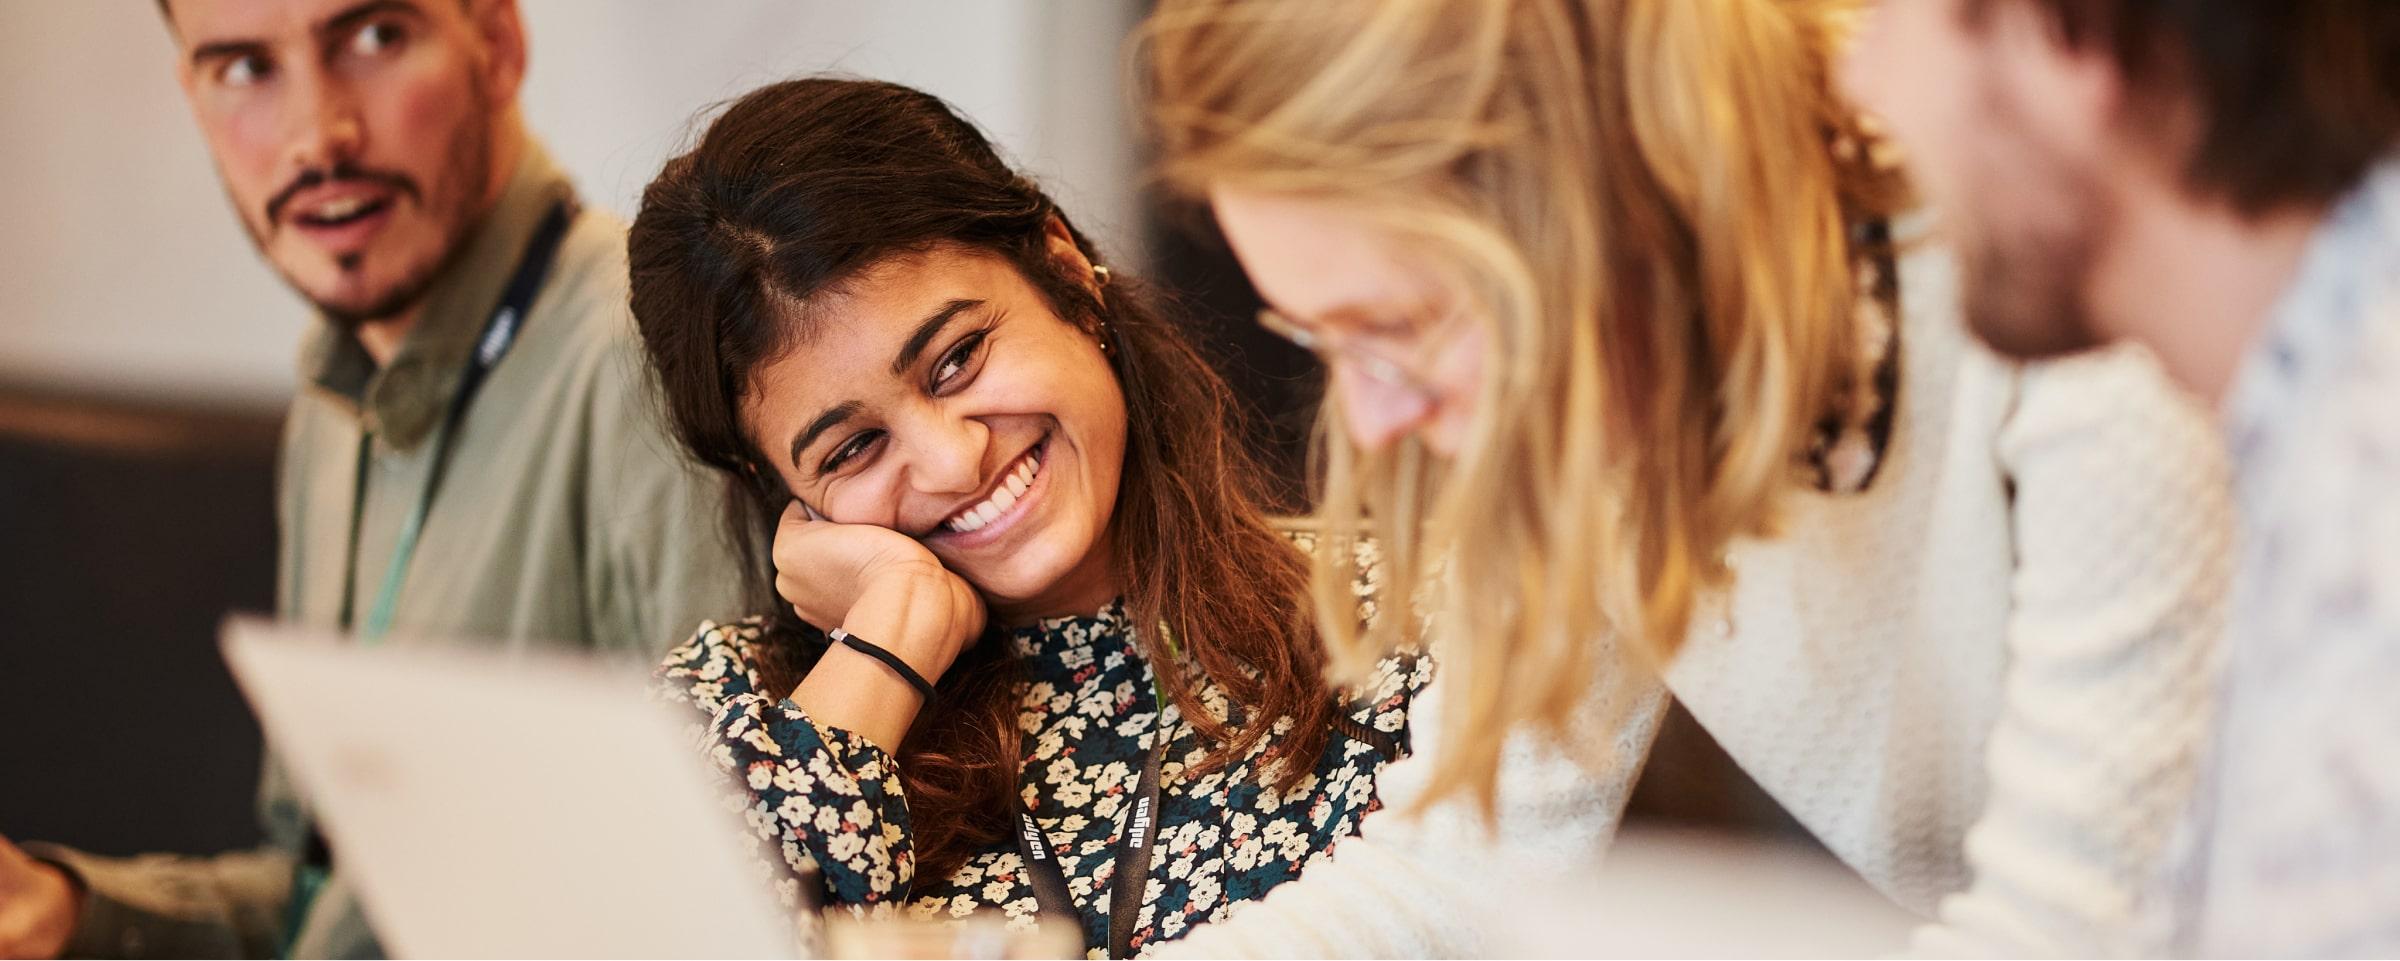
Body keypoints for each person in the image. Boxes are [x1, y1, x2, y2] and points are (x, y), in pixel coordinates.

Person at [1134, 0, 2234, 954]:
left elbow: (2082, 929)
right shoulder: (1582, 398)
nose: (1372, 424)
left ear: (1605, 198)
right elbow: (1465, 867)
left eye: (1401, 327)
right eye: (1322, 340)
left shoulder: (2042, 274)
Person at [0, 1, 743, 957]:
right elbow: (327, 895)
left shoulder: (648, 367)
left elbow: (722, 908)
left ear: (498, 45)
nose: (318, 136)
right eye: (242, 68)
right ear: (191, 95)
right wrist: (66, 910)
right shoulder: (332, 399)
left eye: (376, 37)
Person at [627, 77, 1428, 958]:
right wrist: (891, 642)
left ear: (1062, 269)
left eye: (958, 357)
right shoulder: (734, 716)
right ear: (780, 488)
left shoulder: (1405, 613)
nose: (951, 461)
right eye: (852, 447)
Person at [1842, 0, 2400, 954]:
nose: (1861, 83)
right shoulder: (2312, 425)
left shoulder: (2365, 554)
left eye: (1890, 16)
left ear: (2063, 36)